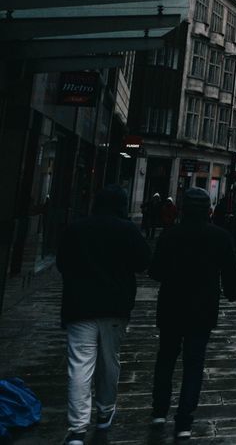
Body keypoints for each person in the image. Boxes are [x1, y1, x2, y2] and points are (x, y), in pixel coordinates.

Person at [56, 185, 151, 445]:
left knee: (79, 365)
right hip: (114, 308)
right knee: (110, 363)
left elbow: (61, 263)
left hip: (79, 307)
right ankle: (105, 414)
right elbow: (144, 262)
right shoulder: (127, 229)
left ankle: (77, 429)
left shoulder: (76, 228)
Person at [150, 188, 236, 439]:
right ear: (208, 210)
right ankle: (184, 423)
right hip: (202, 309)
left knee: (166, 359)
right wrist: (232, 293)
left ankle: (159, 412)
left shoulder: (170, 235)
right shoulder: (220, 236)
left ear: (182, 209)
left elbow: (155, 271)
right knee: (193, 364)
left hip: (171, 307)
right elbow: (231, 272)